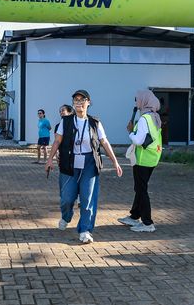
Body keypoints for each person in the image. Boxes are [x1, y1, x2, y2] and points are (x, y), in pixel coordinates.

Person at [45, 89, 123, 244]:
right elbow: (57, 141)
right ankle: (66, 216)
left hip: (89, 162)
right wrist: (49, 160)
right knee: (67, 198)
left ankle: (85, 230)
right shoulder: (66, 121)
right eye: (76, 100)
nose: (79, 102)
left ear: (88, 103)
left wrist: (115, 161)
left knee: (87, 198)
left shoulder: (95, 122)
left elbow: (104, 142)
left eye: (82, 100)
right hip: (70, 161)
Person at [118, 89, 163, 233]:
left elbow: (138, 140)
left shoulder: (144, 119)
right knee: (140, 188)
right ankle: (134, 216)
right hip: (152, 157)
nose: (136, 102)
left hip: (142, 159)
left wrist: (131, 132)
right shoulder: (154, 116)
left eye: (137, 99)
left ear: (144, 100)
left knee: (141, 190)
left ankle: (147, 223)